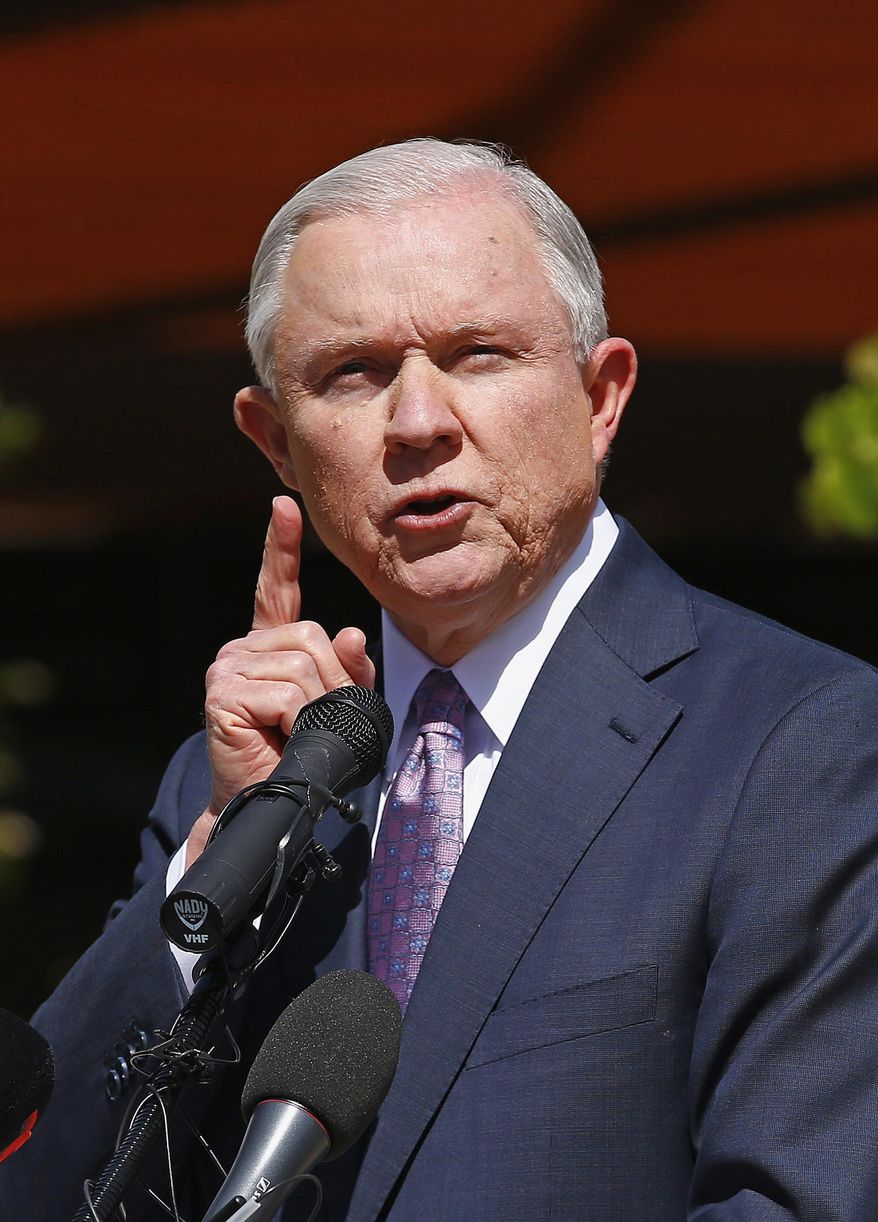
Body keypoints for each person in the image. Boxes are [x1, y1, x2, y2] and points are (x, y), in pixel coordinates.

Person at [4, 138, 878, 1221]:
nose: (418, 423)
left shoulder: (803, 746)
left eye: (478, 355)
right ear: (275, 441)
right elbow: (38, 1181)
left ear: (599, 396)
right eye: (353, 373)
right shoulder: (230, 781)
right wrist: (219, 854)